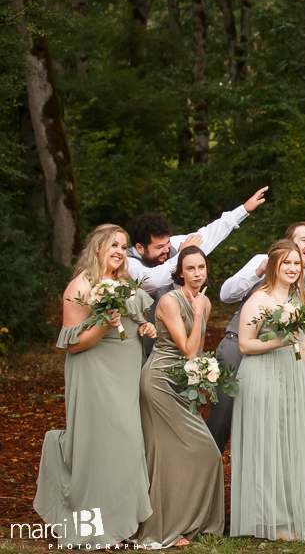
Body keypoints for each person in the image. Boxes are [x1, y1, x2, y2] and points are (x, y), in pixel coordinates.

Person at [34, 225, 157, 549]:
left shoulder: (124, 283)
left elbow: (135, 317)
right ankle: (96, 530)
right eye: (113, 244)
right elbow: (74, 345)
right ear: (97, 246)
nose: (119, 250)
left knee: (127, 444)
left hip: (125, 371)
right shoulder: (81, 285)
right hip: (94, 373)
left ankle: (120, 525)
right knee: (99, 445)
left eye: (124, 245)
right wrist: (104, 322)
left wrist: (143, 323)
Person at [232, 240, 305, 541]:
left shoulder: (297, 297)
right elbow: (245, 344)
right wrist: (280, 341)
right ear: (274, 265)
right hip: (263, 375)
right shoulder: (259, 299)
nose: (292, 268)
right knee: (268, 444)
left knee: (291, 441)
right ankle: (271, 520)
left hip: (292, 374)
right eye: (286, 263)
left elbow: (301, 342)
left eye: (296, 263)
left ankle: (291, 512)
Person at [135, 246, 224, 547]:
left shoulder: (206, 302)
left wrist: (200, 379)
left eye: (201, 268)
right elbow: (187, 349)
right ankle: (162, 529)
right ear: (180, 273)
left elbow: (197, 354)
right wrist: (197, 313)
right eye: (191, 269)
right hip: (160, 381)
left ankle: (190, 522)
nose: (197, 274)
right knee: (165, 456)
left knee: (207, 454)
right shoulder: (170, 300)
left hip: (183, 382)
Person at [207, 221, 305, 453]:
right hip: (237, 346)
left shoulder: (302, 286)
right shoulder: (263, 263)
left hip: (277, 362)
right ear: (290, 242)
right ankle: (205, 479)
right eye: (304, 240)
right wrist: (259, 271)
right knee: (222, 419)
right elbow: (226, 294)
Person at [127, 186, 268, 356]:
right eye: (159, 247)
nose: (166, 249)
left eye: (167, 243)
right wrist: (180, 255)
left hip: (181, 346)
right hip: (141, 347)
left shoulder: (171, 246)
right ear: (139, 248)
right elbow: (153, 281)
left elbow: (208, 235)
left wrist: (244, 209)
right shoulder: (128, 262)